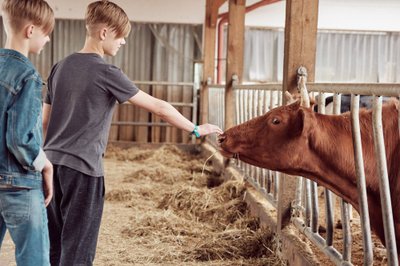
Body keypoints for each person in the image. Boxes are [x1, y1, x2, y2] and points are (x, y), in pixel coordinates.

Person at [42, 1, 222, 265]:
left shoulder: (59, 67)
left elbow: (45, 121)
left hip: (51, 165)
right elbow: (159, 108)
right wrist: (196, 128)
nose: (124, 41)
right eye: (121, 35)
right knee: (78, 250)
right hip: (83, 169)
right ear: (104, 33)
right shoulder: (106, 72)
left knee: (55, 245)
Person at [0, 0, 54, 265]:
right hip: (19, 184)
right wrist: (44, 164)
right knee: (34, 260)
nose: (48, 39)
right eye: (46, 32)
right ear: (30, 30)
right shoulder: (28, 75)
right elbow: (20, 139)